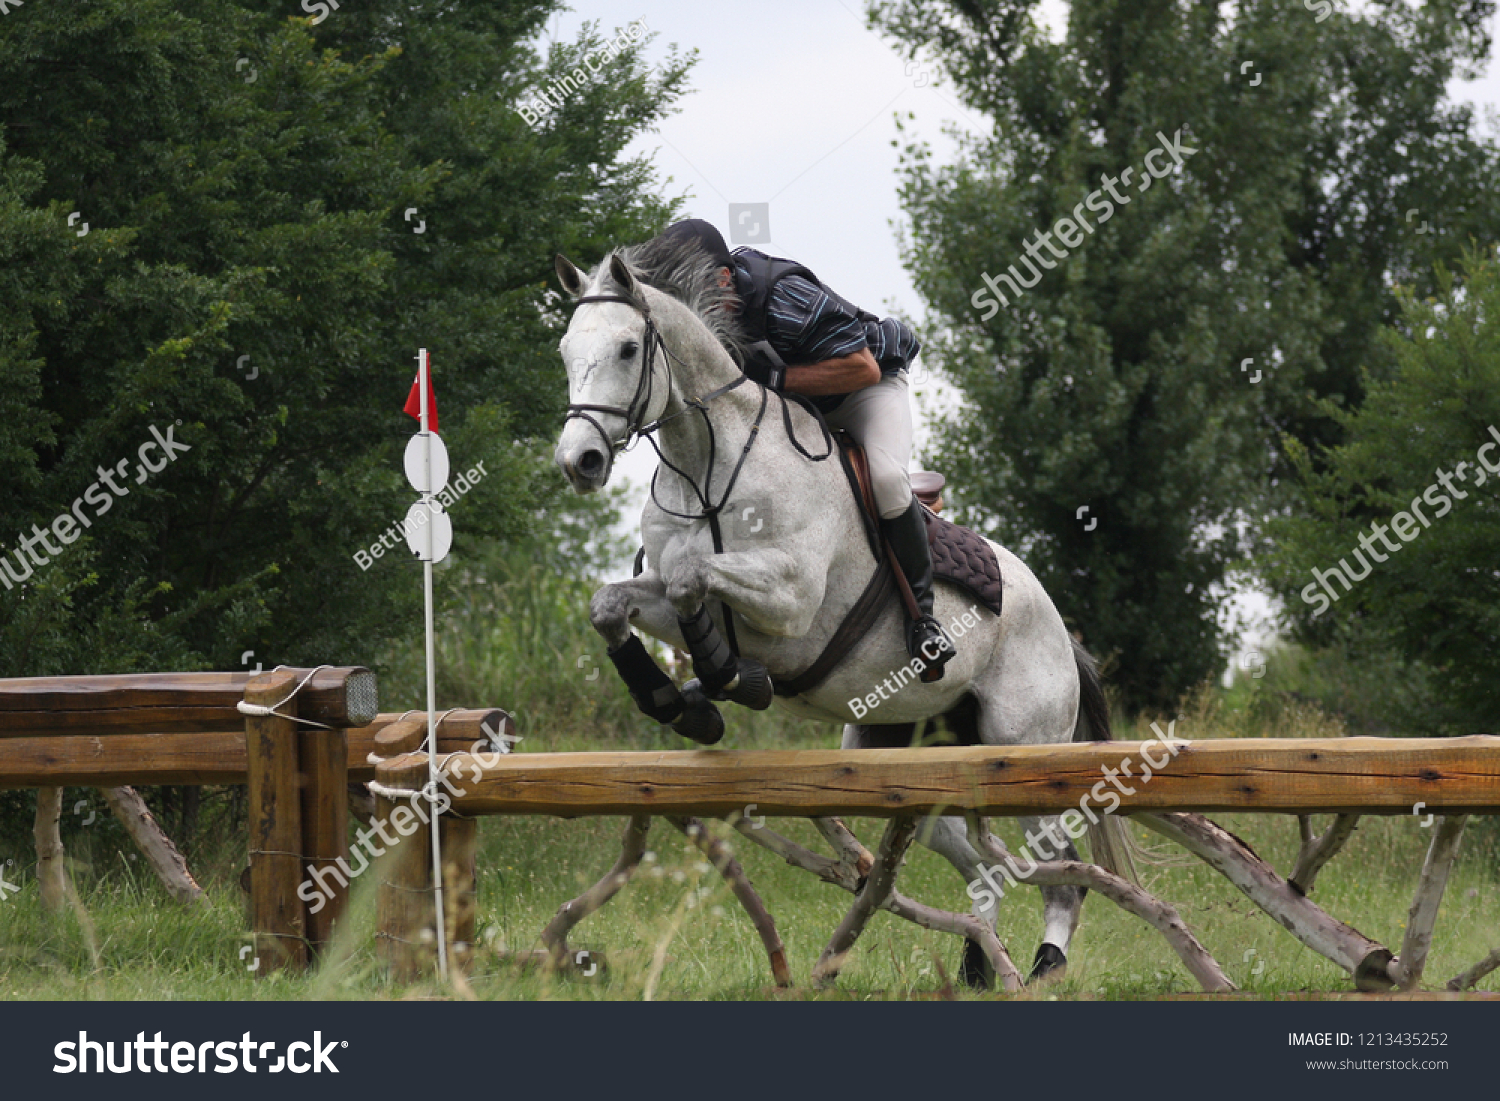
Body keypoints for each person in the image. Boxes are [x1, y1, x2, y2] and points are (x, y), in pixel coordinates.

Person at [652, 219, 955, 679]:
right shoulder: (705, 315)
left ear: (724, 278)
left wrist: (774, 380)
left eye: (694, 294)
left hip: (865, 392)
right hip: (797, 407)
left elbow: (862, 368)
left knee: (888, 480)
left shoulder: (784, 297)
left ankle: (923, 621)